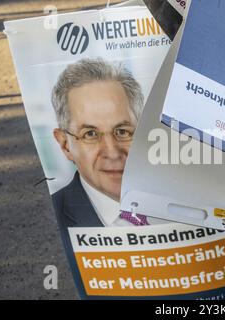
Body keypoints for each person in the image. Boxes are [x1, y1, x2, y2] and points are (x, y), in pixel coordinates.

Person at [51, 58, 161, 227]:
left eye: (123, 132)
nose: (112, 153)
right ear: (65, 145)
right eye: (90, 134)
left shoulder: (182, 193)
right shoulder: (52, 217)